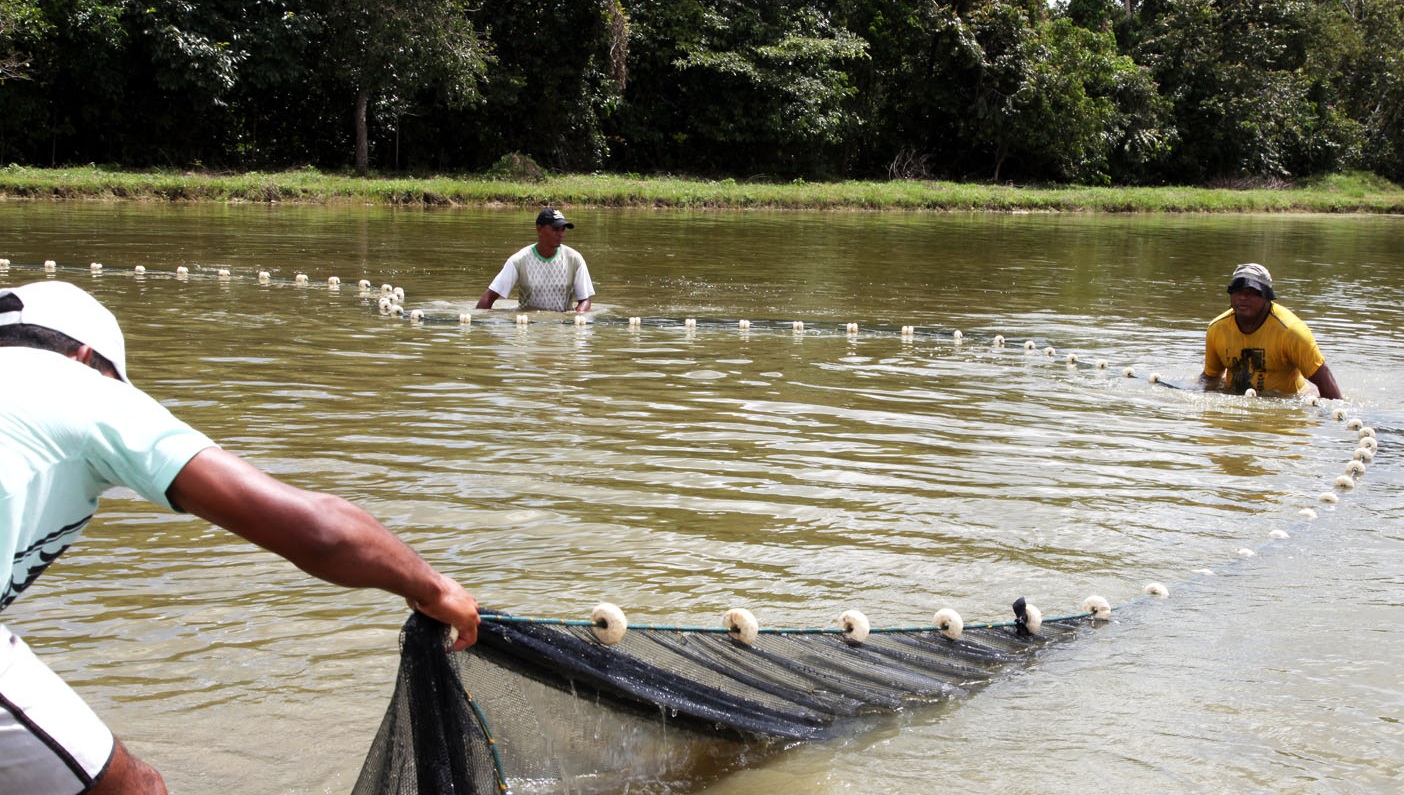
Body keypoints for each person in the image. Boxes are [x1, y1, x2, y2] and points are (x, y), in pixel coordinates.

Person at [0, 280, 481, 794]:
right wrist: (434, 587)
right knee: (132, 789)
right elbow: (318, 531)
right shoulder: (78, 387)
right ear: (87, 357)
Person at [1200, 263, 1342, 399]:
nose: (1243, 298)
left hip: (1289, 402)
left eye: (1251, 293)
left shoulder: (1292, 331)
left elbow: (1324, 381)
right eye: (1238, 291)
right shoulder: (1217, 329)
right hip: (1237, 400)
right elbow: (1211, 378)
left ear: (1267, 297)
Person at [476, 207, 595, 312]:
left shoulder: (575, 259)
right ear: (539, 229)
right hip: (527, 328)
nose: (561, 234)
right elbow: (489, 297)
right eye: (555, 229)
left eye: (563, 229)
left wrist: (577, 315)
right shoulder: (518, 261)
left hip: (562, 330)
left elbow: (585, 301)